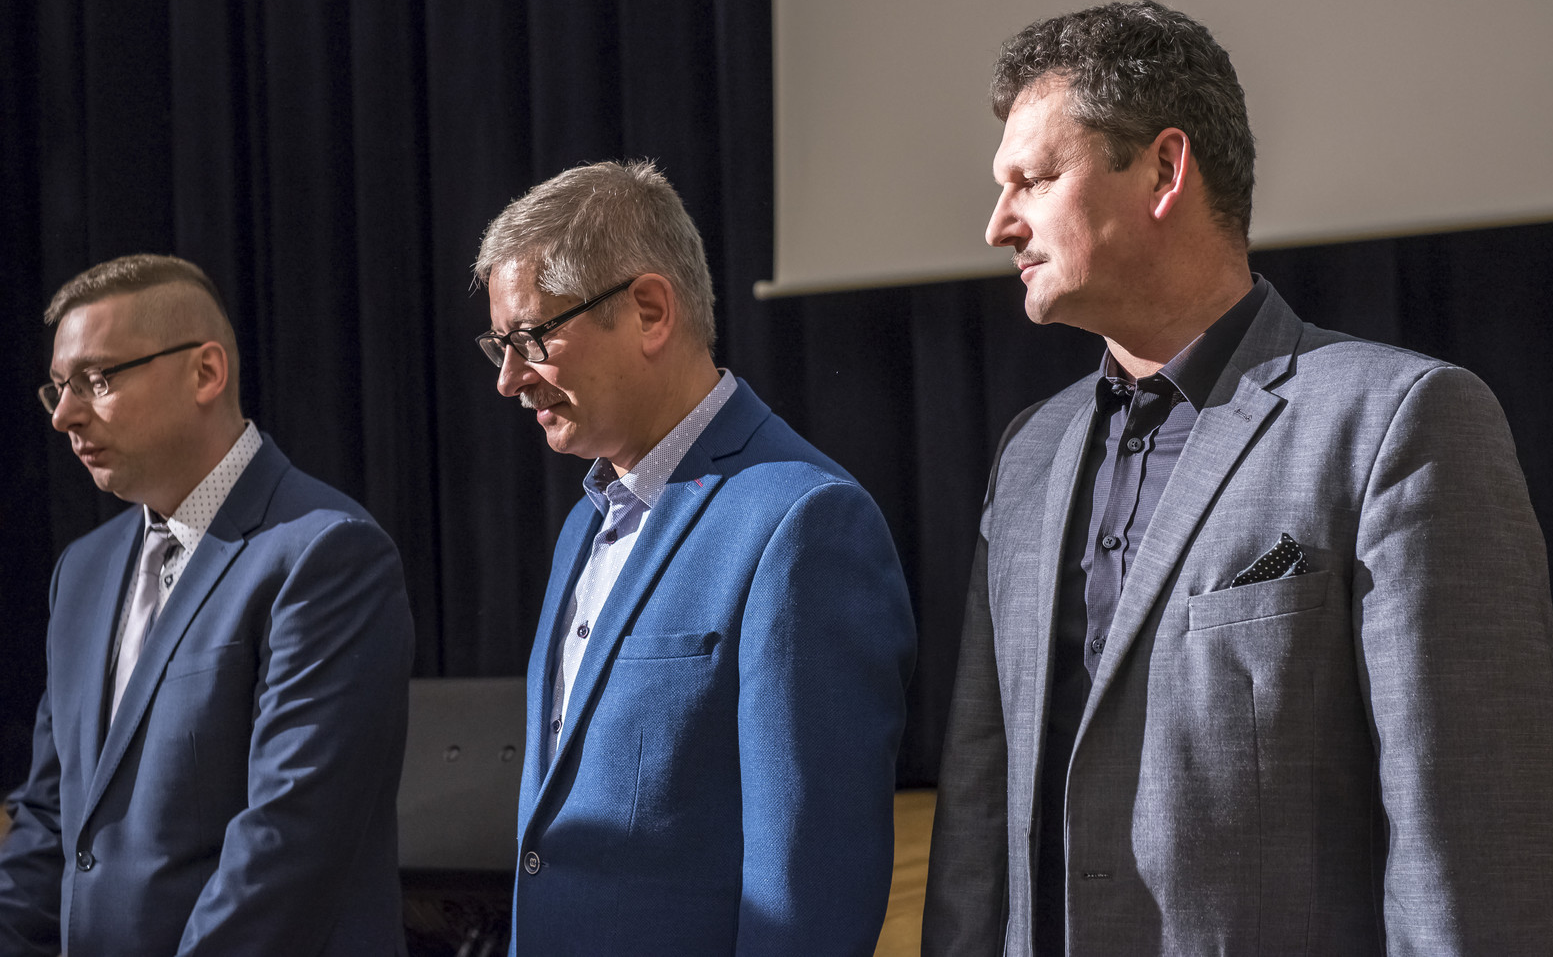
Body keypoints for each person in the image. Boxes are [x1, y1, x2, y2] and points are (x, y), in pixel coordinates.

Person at [922, 1, 1553, 955]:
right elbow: (979, 814)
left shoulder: (1399, 422)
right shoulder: (1029, 452)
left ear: (1164, 170)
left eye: (1036, 179)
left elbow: (1471, 838)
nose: (997, 225)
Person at [475, 159, 916, 954]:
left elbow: (807, 896)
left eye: (532, 337)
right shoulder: (583, 526)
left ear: (649, 311)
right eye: (499, 345)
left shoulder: (802, 522)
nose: (510, 379)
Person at [0, 255, 414, 956]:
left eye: (97, 379)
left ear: (206, 372)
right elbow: (50, 820)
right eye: (59, 388)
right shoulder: (82, 571)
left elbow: (287, 846)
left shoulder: (326, 553)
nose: (65, 415)